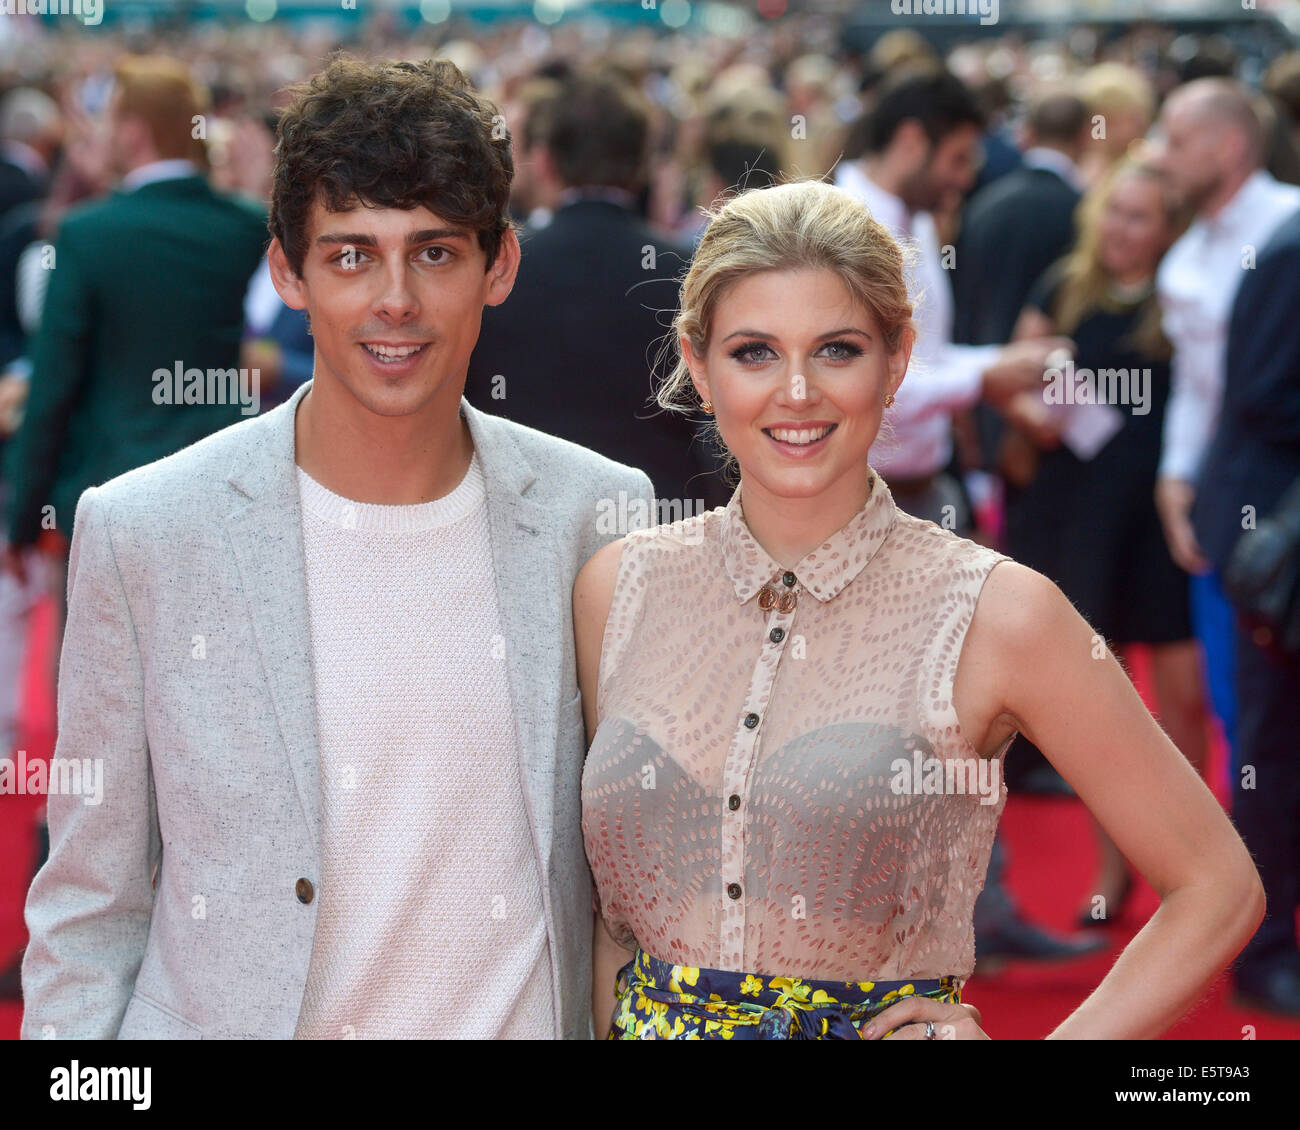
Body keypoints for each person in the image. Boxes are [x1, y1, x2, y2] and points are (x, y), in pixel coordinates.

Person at [19, 54, 653, 1040]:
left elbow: (644, 871)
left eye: (435, 252)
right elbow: (90, 905)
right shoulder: (146, 529)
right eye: (352, 253)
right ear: (287, 271)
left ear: (500, 266)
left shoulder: (600, 514)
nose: (393, 299)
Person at [574, 178, 1264, 1040]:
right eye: (754, 351)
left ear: (897, 361)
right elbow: (609, 920)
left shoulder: (999, 612)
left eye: (837, 350)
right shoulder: (618, 589)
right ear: (698, 364)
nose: (796, 391)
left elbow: (1219, 887)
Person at [1001, 153, 1206, 929]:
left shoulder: (1181, 298)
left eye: (1139, 217)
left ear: (1169, 230)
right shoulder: (1064, 285)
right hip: (1076, 512)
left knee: (1182, 698)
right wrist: (1033, 416)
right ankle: (1112, 873)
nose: (1120, 229)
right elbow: (1012, 380)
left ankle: (1197, 867)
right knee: (1103, 707)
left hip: (1158, 517)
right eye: (1113, 211)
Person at [465, 70, 716, 512]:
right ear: (642, 166)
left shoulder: (498, 271)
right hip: (663, 515)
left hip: (527, 513)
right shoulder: (689, 274)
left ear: (543, 163)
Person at [1150, 78, 1300, 780]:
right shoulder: (1185, 258)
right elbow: (1195, 387)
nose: (1161, 157)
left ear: (1231, 145)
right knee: (1242, 712)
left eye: (1177, 141)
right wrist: (1177, 477)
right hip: (1225, 507)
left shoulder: (1289, 228)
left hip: (1287, 503)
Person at [1192, 205, 1300, 1016]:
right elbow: (1262, 395)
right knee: (1270, 749)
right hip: (1276, 548)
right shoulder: (1292, 249)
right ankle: (1261, 954)